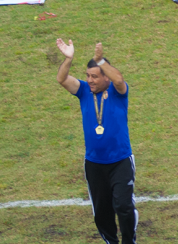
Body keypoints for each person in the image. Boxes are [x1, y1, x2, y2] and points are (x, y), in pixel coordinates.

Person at [55, 39, 138, 243]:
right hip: (94, 163)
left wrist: (101, 61)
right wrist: (68, 58)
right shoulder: (84, 91)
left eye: (94, 76)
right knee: (102, 212)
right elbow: (62, 79)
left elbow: (119, 79)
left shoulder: (118, 92)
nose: (90, 80)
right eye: (88, 76)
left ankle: (129, 241)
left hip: (120, 160)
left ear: (105, 77)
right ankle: (111, 241)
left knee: (123, 206)